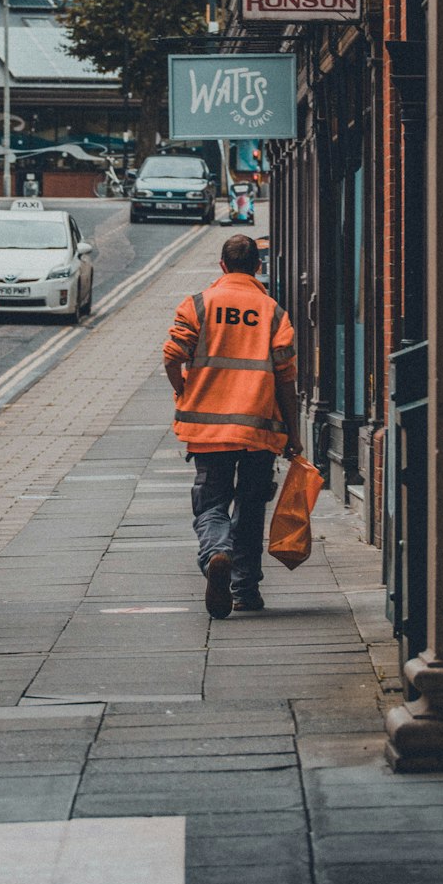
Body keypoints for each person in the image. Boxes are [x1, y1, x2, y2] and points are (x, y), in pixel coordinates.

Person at [163, 233, 302, 619]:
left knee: (211, 503)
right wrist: (294, 432)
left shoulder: (198, 306)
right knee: (252, 505)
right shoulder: (273, 312)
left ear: (222, 266)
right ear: (258, 266)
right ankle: (245, 590)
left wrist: (184, 392)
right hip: (260, 429)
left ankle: (216, 553)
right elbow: (286, 378)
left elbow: (172, 357)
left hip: (208, 430)